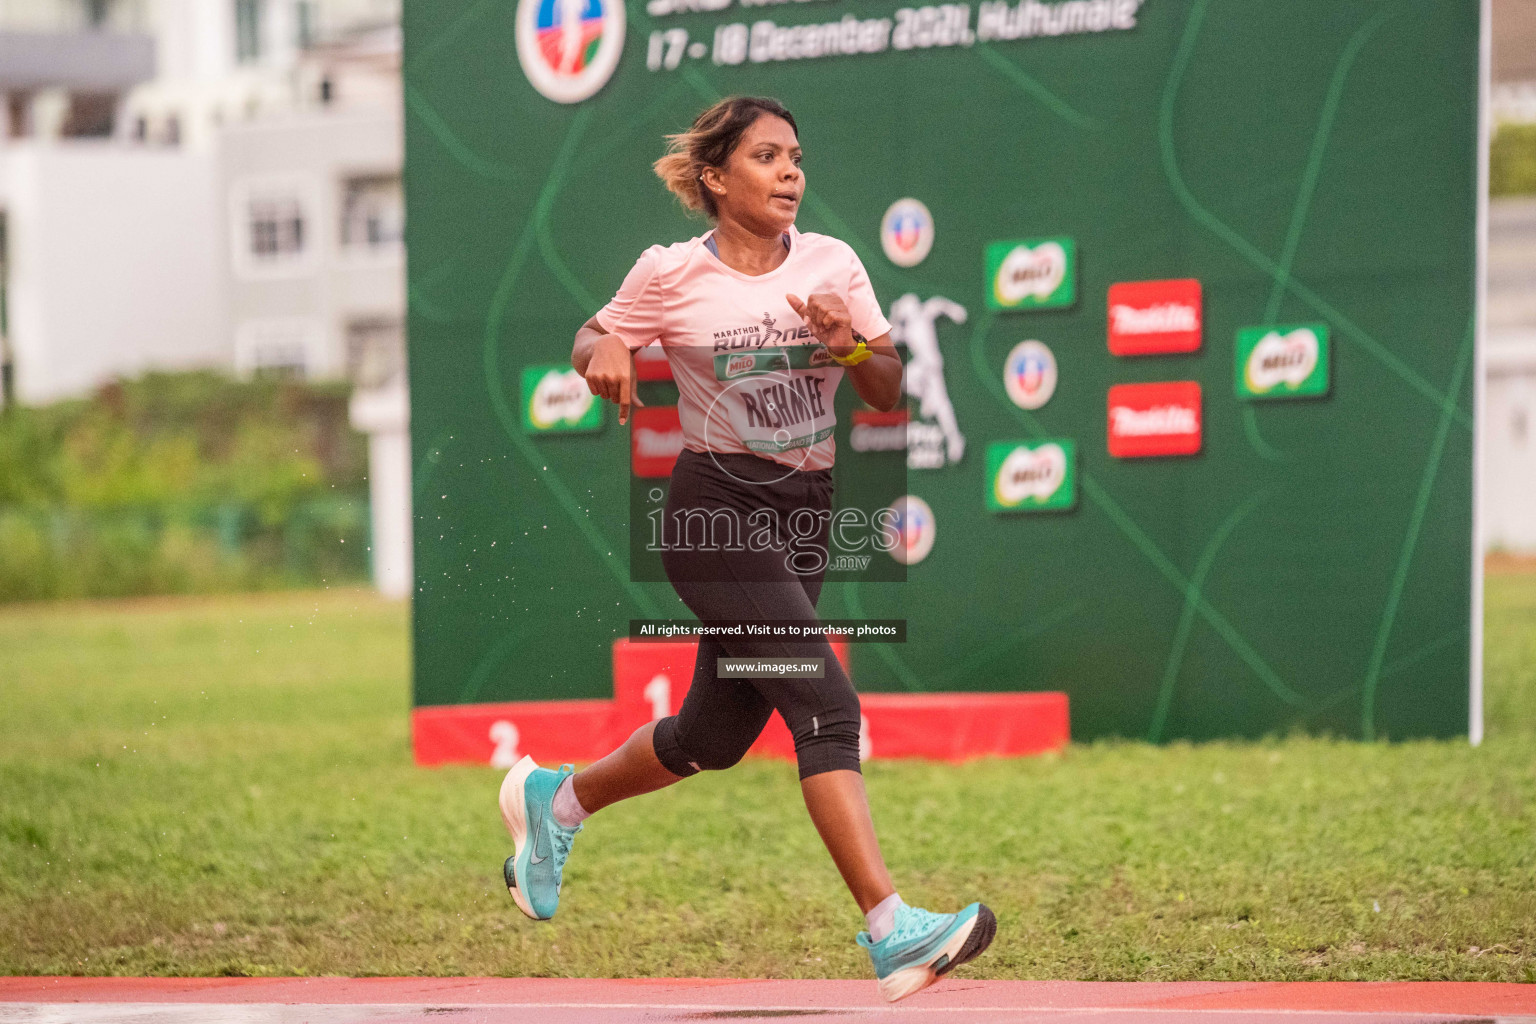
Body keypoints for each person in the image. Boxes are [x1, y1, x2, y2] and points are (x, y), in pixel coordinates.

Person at [496, 95, 996, 1003]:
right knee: (827, 707)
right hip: (715, 510)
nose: (791, 172)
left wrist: (847, 347)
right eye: (767, 157)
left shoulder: (834, 263)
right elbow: (593, 334)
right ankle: (891, 929)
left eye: (797, 156)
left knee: (714, 736)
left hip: (805, 512)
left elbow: (886, 391)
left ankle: (556, 802)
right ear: (718, 179)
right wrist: (601, 348)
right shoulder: (671, 273)